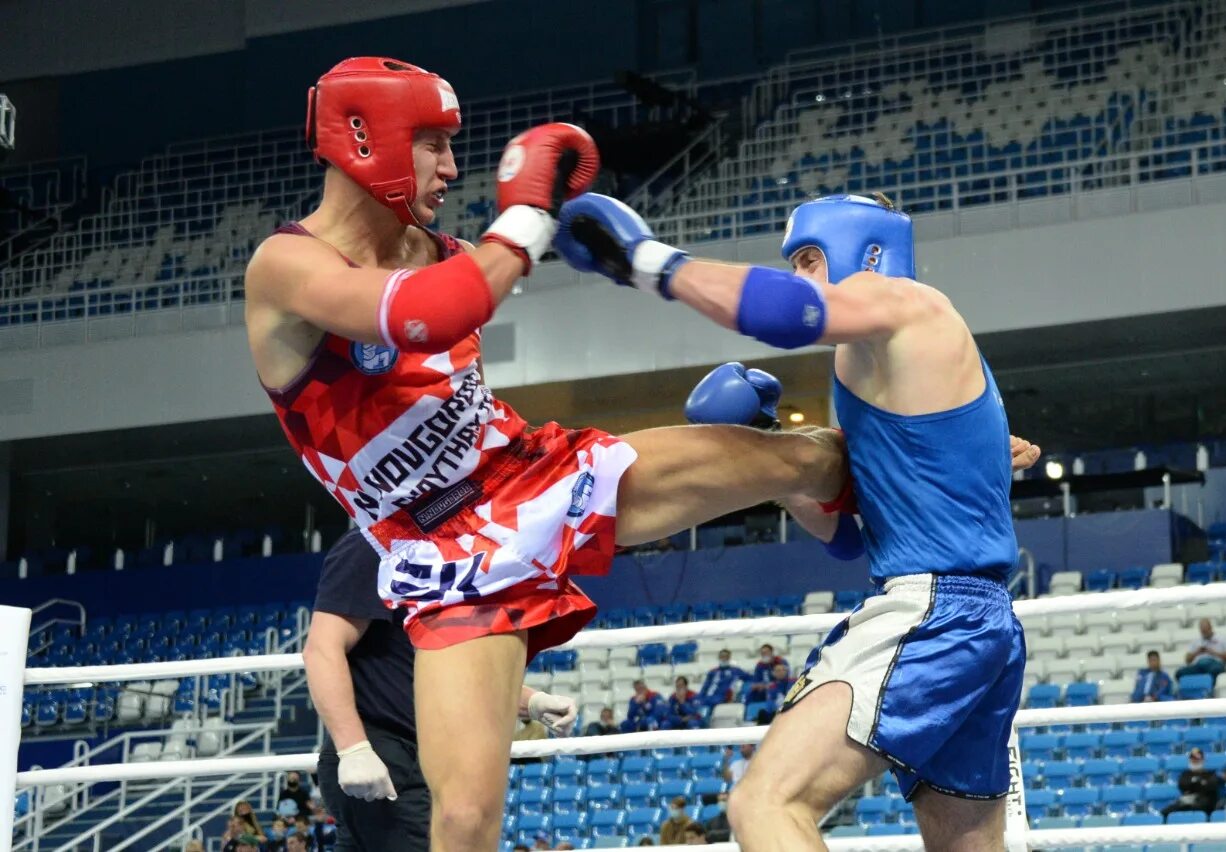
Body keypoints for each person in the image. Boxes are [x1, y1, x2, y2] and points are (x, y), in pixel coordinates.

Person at [247, 57, 851, 852]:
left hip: (534, 471)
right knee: (463, 824)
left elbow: (459, 294)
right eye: (430, 142)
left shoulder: (440, 248)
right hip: (441, 549)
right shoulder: (287, 267)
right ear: (366, 140)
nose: (452, 165)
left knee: (794, 459)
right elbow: (426, 315)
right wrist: (528, 218)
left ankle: (947, 464)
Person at [555, 191, 1044, 851]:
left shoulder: (910, 305)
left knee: (765, 803)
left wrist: (653, 263)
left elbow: (791, 315)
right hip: (975, 622)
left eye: (811, 259)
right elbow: (847, 539)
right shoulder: (885, 367)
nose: (801, 278)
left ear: (870, 250)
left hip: (936, 613)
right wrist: (771, 461)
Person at [305, 528, 577, 852]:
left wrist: (532, 702)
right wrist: (353, 748)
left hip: (420, 755)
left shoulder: (447, 554)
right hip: (384, 751)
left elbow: (447, 673)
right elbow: (322, 648)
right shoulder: (374, 546)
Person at [1161, 747, 1221, 818]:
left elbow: (1211, 786)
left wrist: (1194, 784)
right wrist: (1199, 783)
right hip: (1187, 801)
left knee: (1200, 805)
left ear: (1203, 760)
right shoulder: (1185, 774)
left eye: (1197, 759)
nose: (1195, 761)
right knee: (1165, 811)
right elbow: (1182, 785)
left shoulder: (1210, 774)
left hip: (1205, 803)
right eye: (1193, 759)